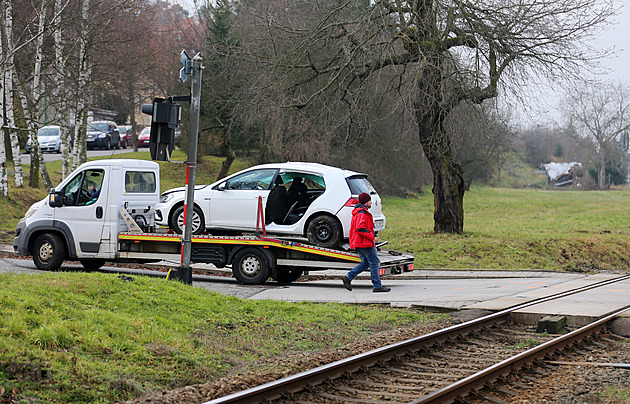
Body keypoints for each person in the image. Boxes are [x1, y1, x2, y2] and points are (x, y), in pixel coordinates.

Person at [342, 192, 390, 293]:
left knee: (366, 263)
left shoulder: (358, 211)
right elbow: (361, 228)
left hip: (359, 242)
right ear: (366, 202)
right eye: (369, 201)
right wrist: (372, 237)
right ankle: (377, 285)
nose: (371, 203)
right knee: (374, 262)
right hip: (364, 243)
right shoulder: (362, 213)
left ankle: (348, 277)